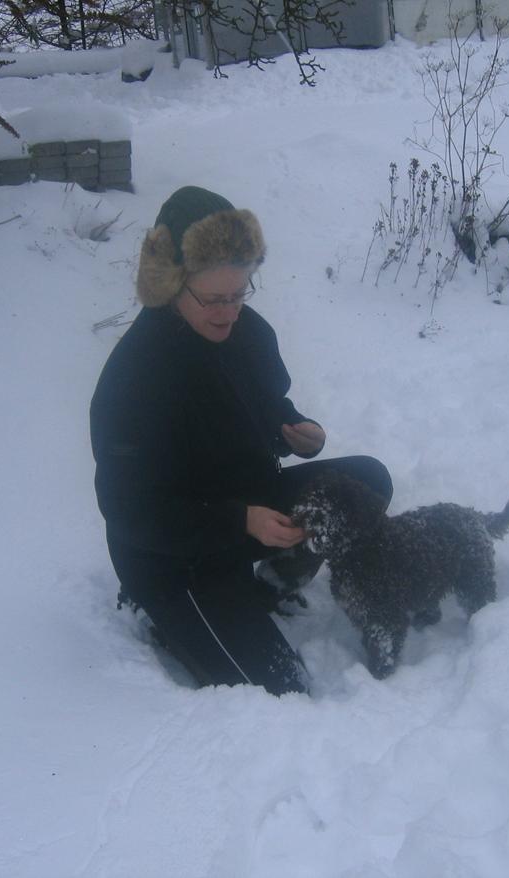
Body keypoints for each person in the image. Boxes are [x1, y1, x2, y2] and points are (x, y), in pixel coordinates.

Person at [89, 186, 392, 695]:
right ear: (172, 285)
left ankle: (266, 588)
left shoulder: (248, 333)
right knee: (283, 690)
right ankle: (172, 614)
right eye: (213, 299)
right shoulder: (134, 379)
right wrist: (238, 520)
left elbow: (267, 404)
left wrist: (294, 431)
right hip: (173, 555)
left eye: (239, 294)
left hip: (247, 511)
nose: (229, 312)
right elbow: (129, 510)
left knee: (366, 484)